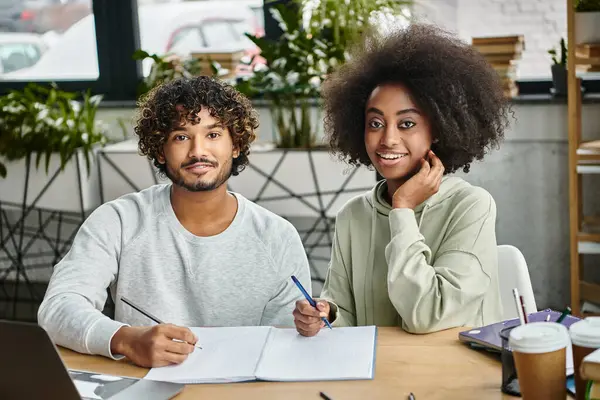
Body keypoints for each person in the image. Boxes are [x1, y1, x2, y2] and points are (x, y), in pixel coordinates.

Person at [38, 76, 312, 367]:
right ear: (160, 150)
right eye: (181, 136)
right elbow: (58, 308)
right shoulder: (118, 220)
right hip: (143, 387)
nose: (198, 152)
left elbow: (288, 340)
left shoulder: (278, 236)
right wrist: (126, 339)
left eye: (213, 135)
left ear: (236, 145)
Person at [293, 24, 511, 337]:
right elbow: (344, 313)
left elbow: (427, 314)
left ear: (437, 129)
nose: (388, 139)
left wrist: (403, 209)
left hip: (455, 377)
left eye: (407, 123)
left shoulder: (471, 207)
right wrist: (325, 314)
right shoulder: (353, 215)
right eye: (375, 123)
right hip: (377, 376)